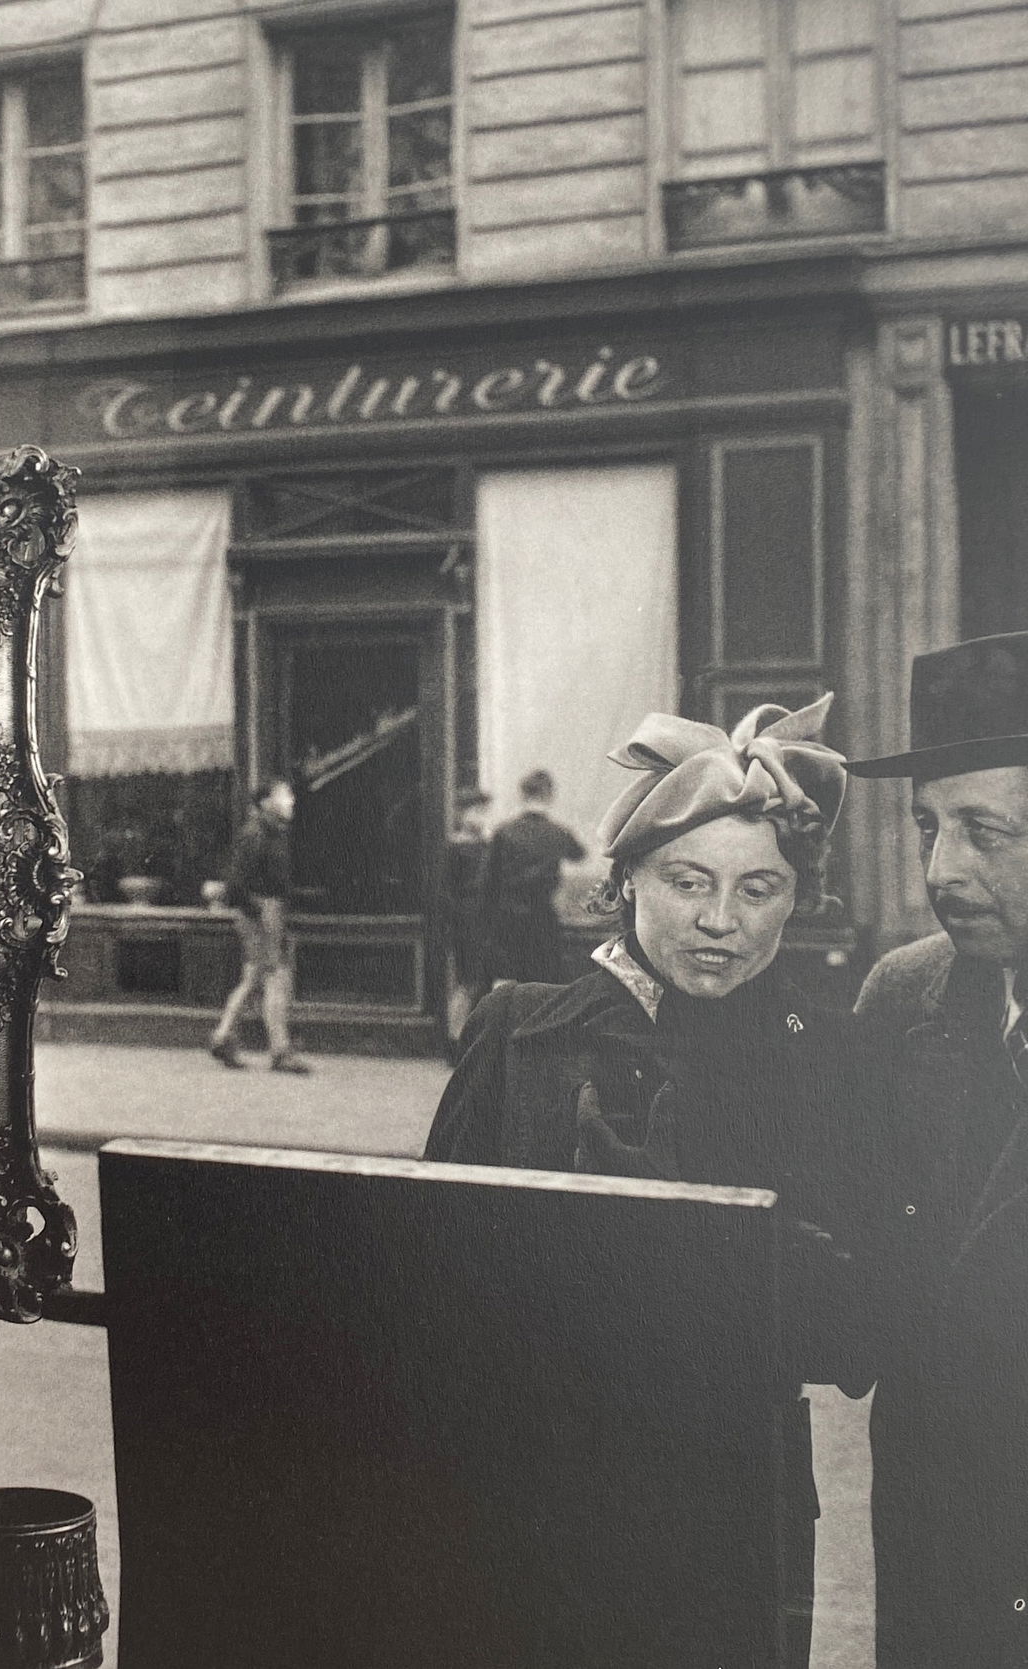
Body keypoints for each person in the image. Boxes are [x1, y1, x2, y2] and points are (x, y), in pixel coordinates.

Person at [427, 695, 872, 1669]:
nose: (721, 920)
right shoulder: (516, 1033)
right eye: (687, 880)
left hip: (735, 1515)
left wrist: (698, 1237)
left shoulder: (824, 1061)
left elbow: (853, 1343)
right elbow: (430, 1303)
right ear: (624, 880)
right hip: (533, 1503)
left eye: (759, 889)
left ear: (796, 900)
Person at [848, 630, 1028, 1667]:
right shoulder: (900, 995)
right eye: (925, 826)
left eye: (985, 830)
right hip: (932, 1513)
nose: (940, 869)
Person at [208, 778, 310, 1074]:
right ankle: (280, 1051)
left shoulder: (269, 832)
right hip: (262, 911)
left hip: (263, 910)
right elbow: (239, 881)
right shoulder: (257, 833)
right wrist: (258, 915)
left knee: (254, 977)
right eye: (285, 796)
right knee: (276, 976)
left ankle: (223, 1036)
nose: (291, 801)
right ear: (266, 802)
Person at [482, 768, 585, 983]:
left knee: (507, 981)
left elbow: (488, 882)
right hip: (543, 919)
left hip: (508, 920)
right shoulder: (558, 832)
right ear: (549, 796)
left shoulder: (504, 832)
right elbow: (579, 854)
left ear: (522, 795)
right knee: (544, 982)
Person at [440, 787, 493, 1051]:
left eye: (483, 812)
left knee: (478, 982)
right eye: (476, 812)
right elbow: (447, 891)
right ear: (462, 814)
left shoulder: (487, 845)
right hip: (467, 922)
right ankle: (455, 1038)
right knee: (467, 982)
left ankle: (468, 1039)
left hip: (484, 922)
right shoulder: (457, 847)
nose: (481, 817)